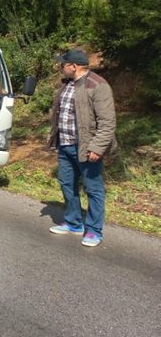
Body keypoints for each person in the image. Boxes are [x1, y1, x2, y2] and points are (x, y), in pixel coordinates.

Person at [47, 49, 117, 247]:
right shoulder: (67, 84)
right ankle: (73, 223)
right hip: (65, 144)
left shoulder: (98, 85)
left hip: (87, 147)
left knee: (93, 189)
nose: (61, 67)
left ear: (73, 66)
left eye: (63, 64)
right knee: (66, 184)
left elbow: (107, 122)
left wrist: (97, 148)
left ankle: (94, 231)